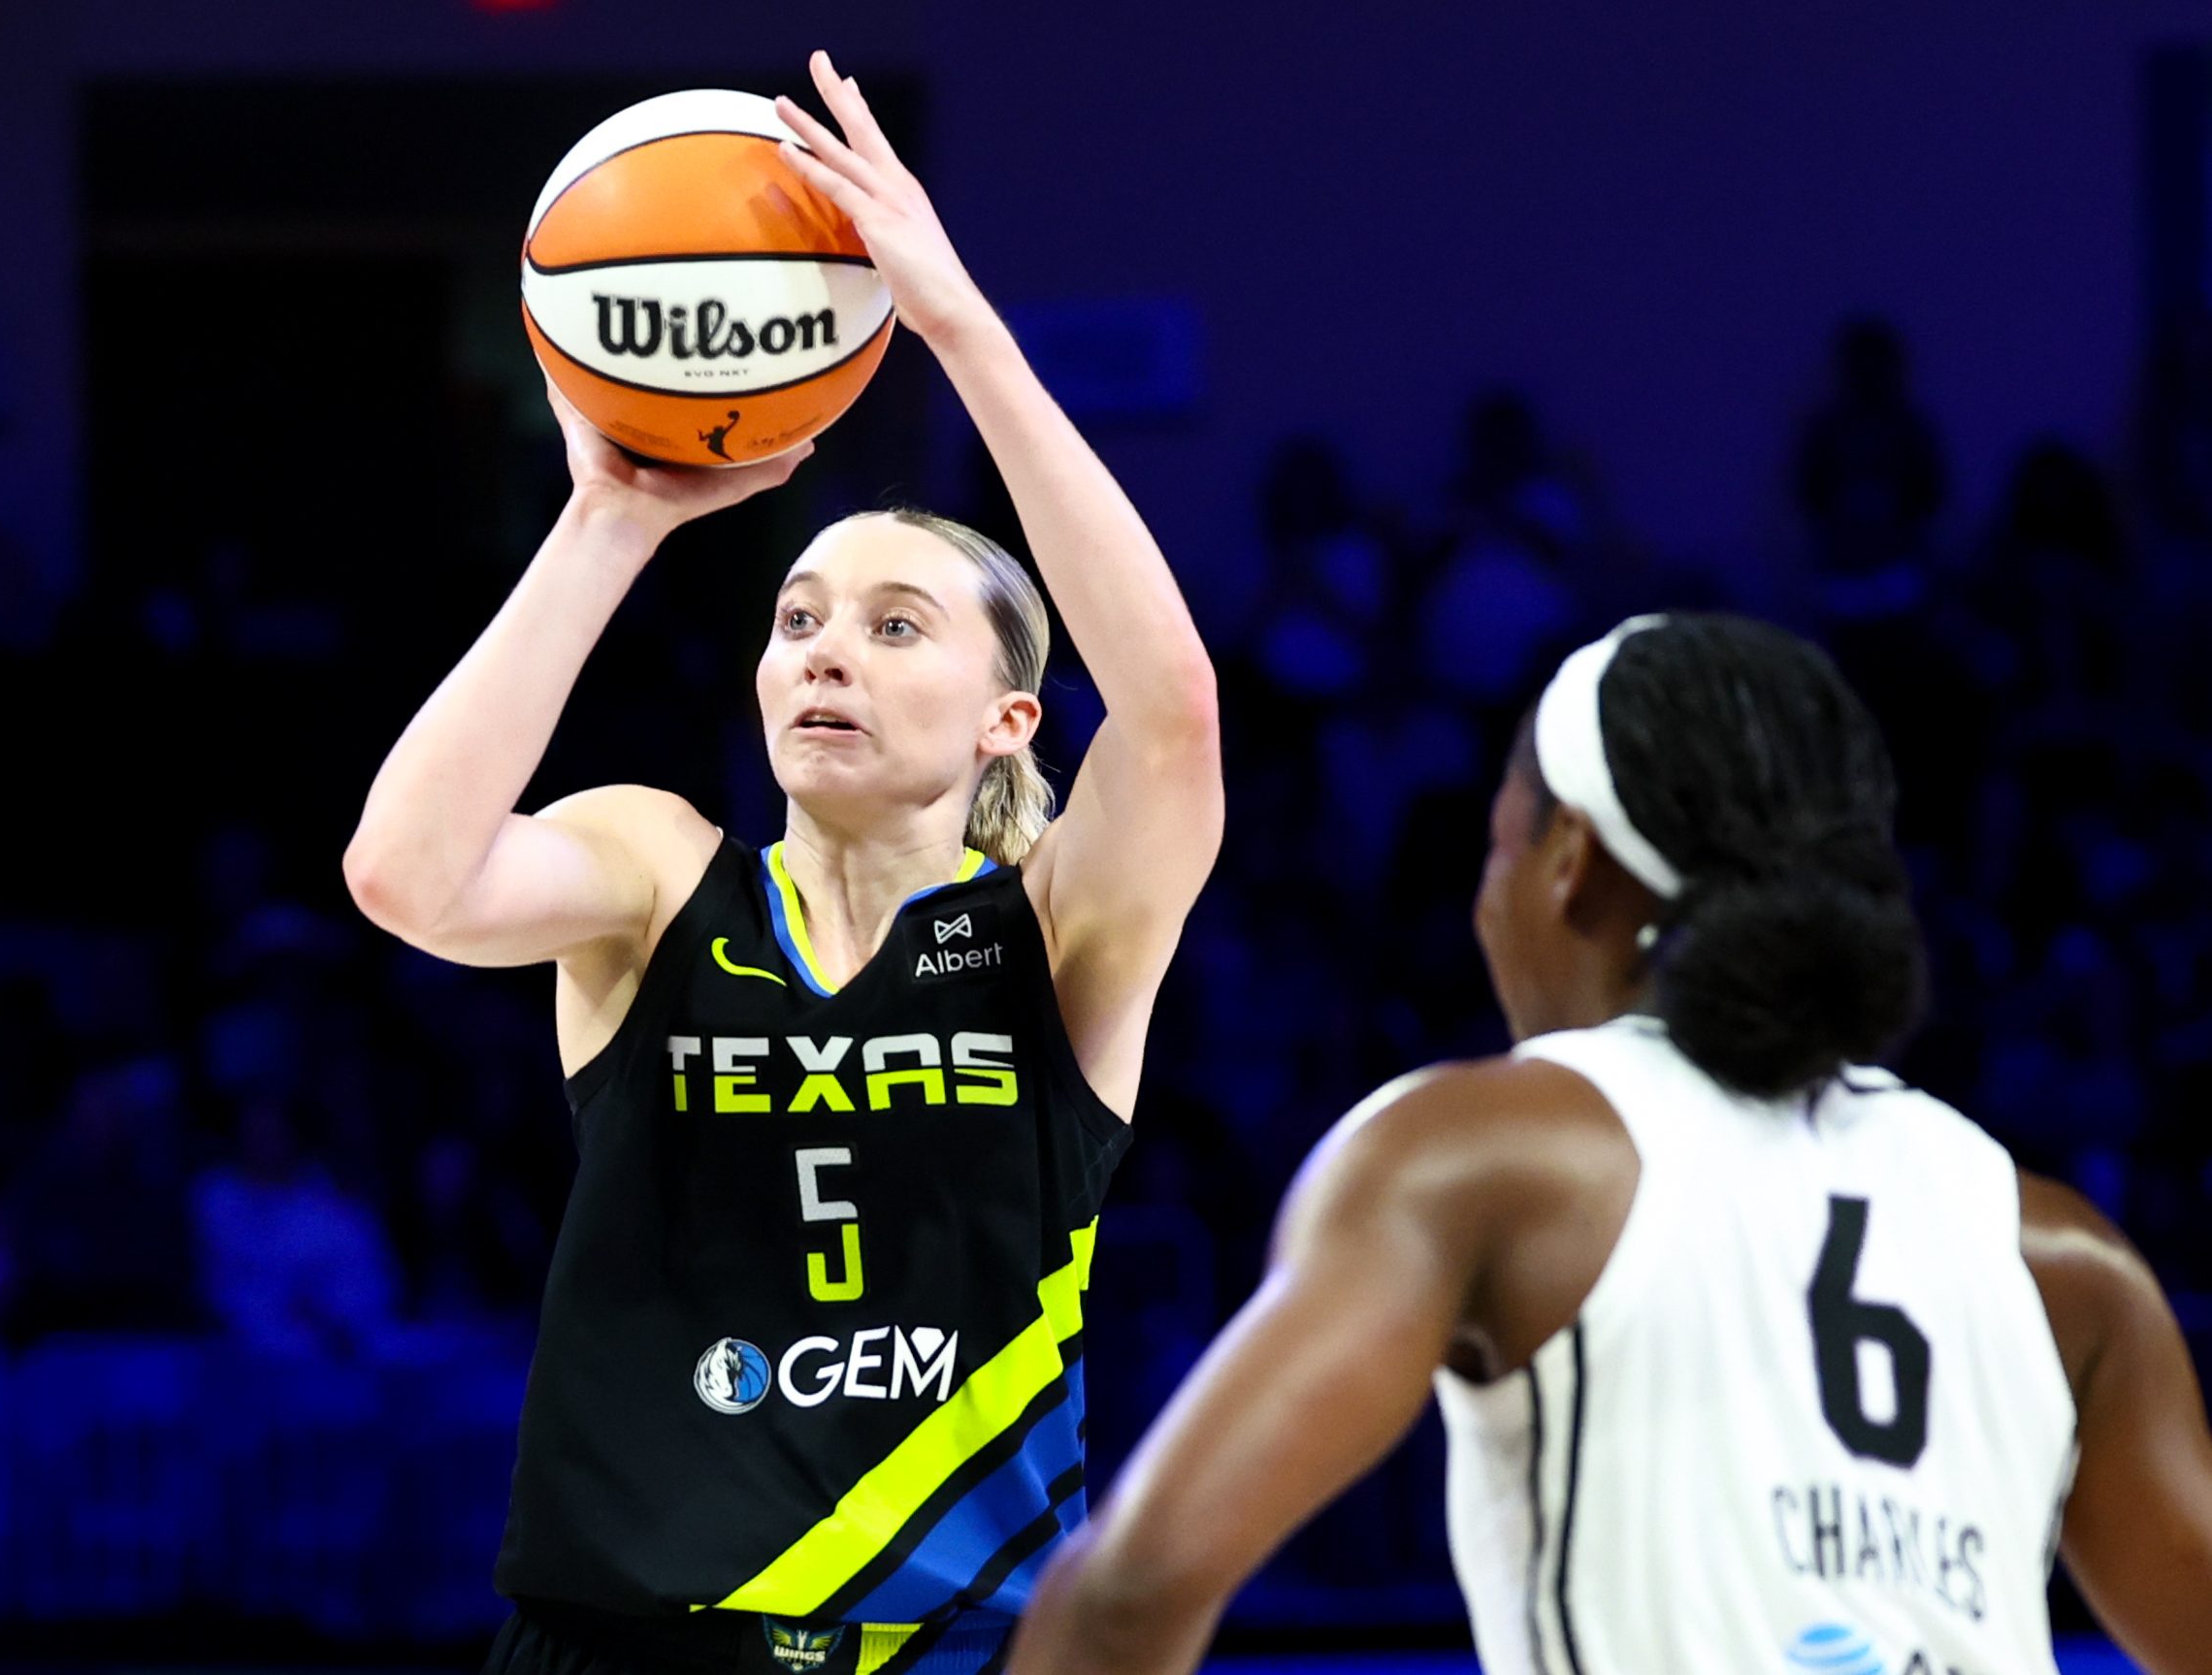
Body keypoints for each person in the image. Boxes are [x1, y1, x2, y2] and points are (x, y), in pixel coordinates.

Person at [342, 51, 1220, 1675]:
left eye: (897, 629)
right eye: (798, 618)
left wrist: (958, 325)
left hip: (950, 1637)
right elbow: (405, 875)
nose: (828, 652)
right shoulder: (656, 869)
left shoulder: (1060, 932)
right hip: (620, 1642)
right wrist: (607, 523)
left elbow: (1170, 716)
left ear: (1006, 717)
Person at [1006, 614, 2212, 1675]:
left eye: (1498, 849)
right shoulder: (2059, 1248)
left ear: (1568, 862)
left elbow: (1133, 1591)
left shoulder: (1479, 1157)